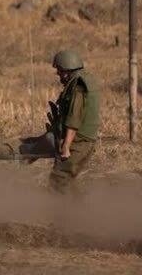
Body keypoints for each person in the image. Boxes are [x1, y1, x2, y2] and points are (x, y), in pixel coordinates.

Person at [45, 49, 101, 193]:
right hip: (85, 140)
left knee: (59, 179)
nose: (58, 74)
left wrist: (66, 146)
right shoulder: (84, 79)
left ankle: (65, 213)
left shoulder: (77, 87)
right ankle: (78, 212)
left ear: (66, 70)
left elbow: (74, 119)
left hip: (78, 142)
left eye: (59, 70)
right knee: (68, 182)